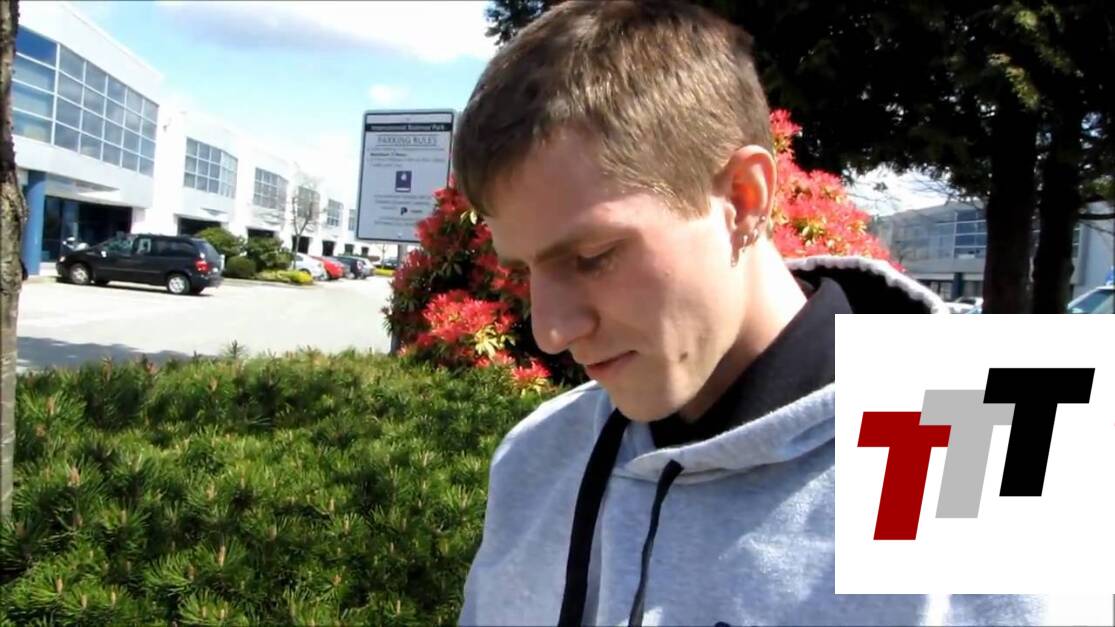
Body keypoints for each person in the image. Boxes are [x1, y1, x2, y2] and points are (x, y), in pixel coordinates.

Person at [450, 2, 1081, 625]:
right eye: (524, 270)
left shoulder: (997, 440)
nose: (550, 331)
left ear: (744, 198)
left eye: (593, 256)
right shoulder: (541, 453)